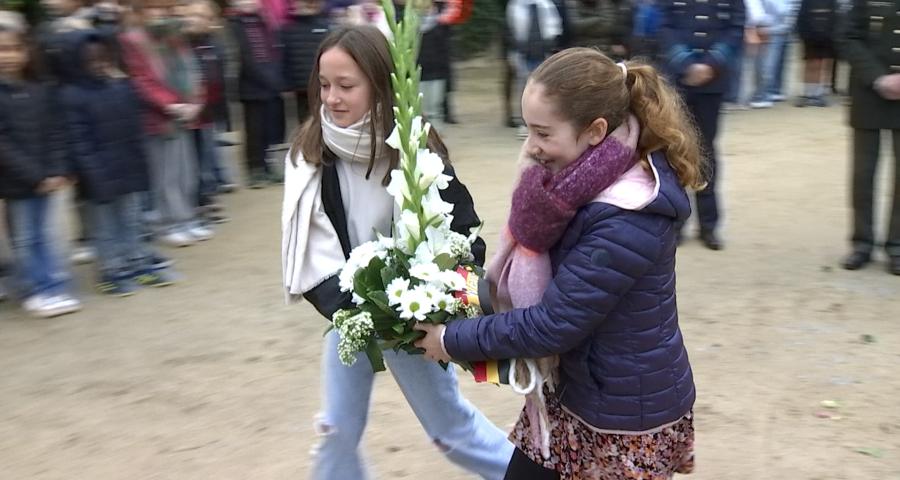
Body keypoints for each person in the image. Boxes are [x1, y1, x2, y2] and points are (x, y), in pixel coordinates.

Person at [415, 49, 700, 480]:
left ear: (595, 131)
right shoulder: (567, 186)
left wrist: (452, 340)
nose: (531, 148)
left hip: (622, 419)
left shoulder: (628, 214)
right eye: (527, 130)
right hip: (575, 394)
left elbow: (554, 323)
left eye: (543, 133)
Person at [280, 25, 515, 480]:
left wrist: (437, 293)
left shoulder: (414, 144)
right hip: (352, 316)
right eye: (324, 85)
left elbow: (461, 230)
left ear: (380, 84)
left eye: (347, 86)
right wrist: (362, 309)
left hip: (413, 317)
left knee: (451, 432)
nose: (332, 98)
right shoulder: (308, 154)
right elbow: (311, 255)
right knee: (336, 428)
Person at [60, 31, 178, 295]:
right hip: (97, 178)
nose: (99, 64)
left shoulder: (123, 88)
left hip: (127, 169)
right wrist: (94, 176)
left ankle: (137, 262)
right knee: (104, 228)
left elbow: (136, 131)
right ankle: (112, 271)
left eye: (104, 58)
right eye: (91, 60)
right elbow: (78, 142)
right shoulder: (72, 96)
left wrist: (140, 166)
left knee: (132, 220)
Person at [0, 23, 82, 318]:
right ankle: (38, 288)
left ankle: (54, 283)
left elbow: (56, 132)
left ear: (26, 52)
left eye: (12, 48)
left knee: (46, 234)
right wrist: (36, 176)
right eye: (1, 50)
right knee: (25, 237)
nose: (6, 56)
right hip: (18, 181)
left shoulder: (42, 89)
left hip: (48, 178)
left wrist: (57, 169)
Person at [120, 0, 213, 248]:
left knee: (187, 172)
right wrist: (171, 105)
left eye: (165, 9)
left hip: (185, 117)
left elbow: (192, 70)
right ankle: (167, 224)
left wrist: (195, 101)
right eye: (153, 9)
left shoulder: (176, 37)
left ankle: (187, 218)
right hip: (158, 120)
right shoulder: (133, 40)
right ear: (140, 13)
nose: (161, 14)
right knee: (166, 176)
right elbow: (142, 80)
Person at [659, 0, 745, 250]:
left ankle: (709, 225)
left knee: (706, 151)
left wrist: (711, 64)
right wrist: (686, 63)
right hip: (679, 80)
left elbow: (736, 27)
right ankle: (676, 222)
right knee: (675, 150)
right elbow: (665, 25)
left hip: (713, 82)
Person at [839, 0, 900, 275]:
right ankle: (862, 242)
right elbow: (846, 35)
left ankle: (897, 245)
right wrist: (878, 78)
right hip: (869, 92)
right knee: (863, 173)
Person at [183, 0, 236, 215]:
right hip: (189, 110)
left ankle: (206, 195)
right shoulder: (183, 45)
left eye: (202, 16)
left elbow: (219, 80)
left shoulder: (214, 45)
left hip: (209, 111)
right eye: (192, 15)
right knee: (192, 158)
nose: (196, 20)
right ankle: (195, 200)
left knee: (206, 154)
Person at [230, 0, 286, 189]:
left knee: (268, 129)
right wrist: (267, 78)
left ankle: (267, 165)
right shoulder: (234, 25)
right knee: (254, 131)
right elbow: (244, 57)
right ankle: (255, 169)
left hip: (270, 83)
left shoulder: (265, 21)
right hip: (251, 86)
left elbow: (275, 49)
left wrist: (276, 75)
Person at [282, 0, 331, 123]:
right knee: (305, 121)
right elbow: (286, 59)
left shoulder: (325, 27)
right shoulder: (289, 29)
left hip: (321, 84)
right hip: (301, 87)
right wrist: (287, 84)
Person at [796, 0, 838, 107]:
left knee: (823, 66)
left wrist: (831, 35)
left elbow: (834, 17)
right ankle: (808, 94)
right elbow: (802, 17)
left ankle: (818, 94)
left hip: (826, 37)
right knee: (811, 65)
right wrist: (804, 35)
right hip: (810, 37)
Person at [567, 0, 633, 60]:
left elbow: (607, 27)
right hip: (580, 49)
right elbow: (576, 26)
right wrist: (599, 19)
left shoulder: (605, 3)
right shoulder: (573, 3)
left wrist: (586, 25)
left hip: (604, 50)